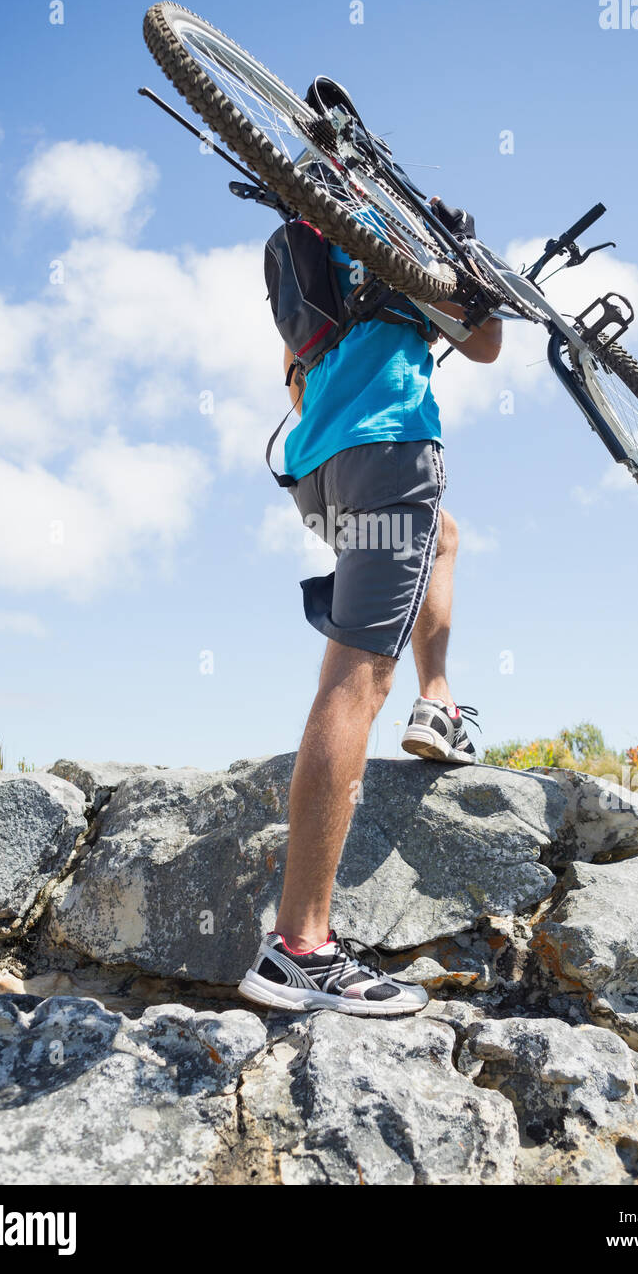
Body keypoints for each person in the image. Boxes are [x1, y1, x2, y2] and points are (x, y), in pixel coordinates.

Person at [238, 193, 501, 1017]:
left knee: (442, 538)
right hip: (390, 449)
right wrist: (472, 274)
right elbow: (485, 345)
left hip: (318, 470)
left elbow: (295, 374)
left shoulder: (303, 244)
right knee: (354, 678)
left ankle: (439, 703)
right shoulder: (403, 233)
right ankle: (300, 948)